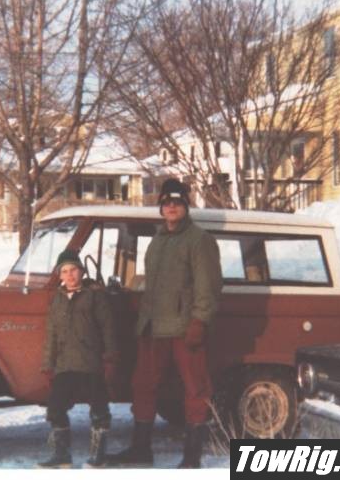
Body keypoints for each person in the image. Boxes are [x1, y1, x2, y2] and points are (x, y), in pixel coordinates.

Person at [109, 178, 222, 468]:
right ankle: (140, 449)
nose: (171, 207)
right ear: (161, 208)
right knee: (143, 385)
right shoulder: (158, 240)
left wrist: (199, 321)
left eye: (177, 202)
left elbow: (208, 286)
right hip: (153, 326)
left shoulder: (199, 240)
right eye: (166, 203)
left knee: (195, 388)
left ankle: (192, 457)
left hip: (185, 327)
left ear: (186, 206)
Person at [38, 249, 118, 469]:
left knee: (99, 410)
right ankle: (62, 457)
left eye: (73, 270)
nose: (70, 275)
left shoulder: (95, 296)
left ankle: (98, 457)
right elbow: (51, 335)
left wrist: (110, 358)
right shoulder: (57, 300)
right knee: (55, 409)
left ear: (81, 271)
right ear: (60, 275)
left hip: (92, 363)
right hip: (65, 365)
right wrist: (47, 365)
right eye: (64, 271)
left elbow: (108, 329)